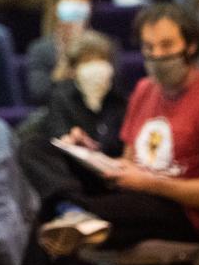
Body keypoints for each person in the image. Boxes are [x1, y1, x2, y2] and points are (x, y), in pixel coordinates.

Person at [2, 2, 199, 265]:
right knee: (35, 146)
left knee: (50, 223)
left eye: (166, 46)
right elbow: (131, 163)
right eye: (148, 48)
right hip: (135, 193)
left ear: (191, 46)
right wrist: (92, 155)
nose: (156, 56)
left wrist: (150, 182)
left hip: (183, 211)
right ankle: (71, 209)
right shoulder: (146, 91)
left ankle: (68, 215)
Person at [19, 30, 128, 208]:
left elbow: (125, 146)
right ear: (73, 69)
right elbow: (57, 136)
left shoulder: (121, 101)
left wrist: (97, 148)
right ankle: (71, 208)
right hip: (74, 173)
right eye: (87, 61)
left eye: (100, 60)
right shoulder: (61, 96)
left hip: (111, 173)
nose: (95, 68)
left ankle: (75, 207)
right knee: (31, 147)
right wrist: (73, 140)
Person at [25, 0, 94, 105]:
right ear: (56, 5)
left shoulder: (106, 47)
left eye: (82, 0)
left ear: (90, 7)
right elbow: (39, 93)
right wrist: (65, 60)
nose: (75, 5)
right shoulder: (40, 49)